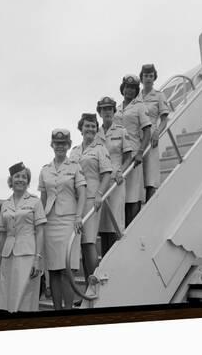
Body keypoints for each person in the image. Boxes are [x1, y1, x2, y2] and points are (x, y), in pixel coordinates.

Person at [38, 129, 87, 310]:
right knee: (54, 271)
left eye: (63, 143)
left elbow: (82, 193)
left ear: (68, 145)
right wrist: (40, 221)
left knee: (68, 270)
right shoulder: (45, 170)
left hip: (69, 222)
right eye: (57, 143)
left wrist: (79, 216)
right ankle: (57, 310)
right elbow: (43, 198)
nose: (60, 146)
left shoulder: (74, 166)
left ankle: (68, 310)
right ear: (52, 145)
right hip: (50, 222)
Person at [0, 162, 46, 313]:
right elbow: (2, 234)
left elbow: (41, 231)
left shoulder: (35, 202)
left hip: (28, 255)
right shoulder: (5, 204)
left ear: (28, 181)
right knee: (7, 298)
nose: (21, 179)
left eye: (24, 177)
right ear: (11, 180)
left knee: (25, 299)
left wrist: (38, 259)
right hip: (8, 256)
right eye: (17, 176)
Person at [69, 113, 112, 279]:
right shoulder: (74, 151)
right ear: (81, 128)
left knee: (89, 242)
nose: (90, 129)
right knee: (79, 245)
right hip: (73, 201)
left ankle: (95, 286)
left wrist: (100, 194)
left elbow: (107, 174)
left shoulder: (100, 148)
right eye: (87, 125)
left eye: (93, 126)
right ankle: (88, 289)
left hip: (90, 200)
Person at [95, 97, 133, 256]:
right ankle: (104, 258)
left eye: (109, 108)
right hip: (100, 181)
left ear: (113, 111)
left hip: (116, 180)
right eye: (104, 109)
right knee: (102, 222)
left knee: (116, 220)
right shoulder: (96, 133)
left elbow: (128, 156)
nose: (107, 112)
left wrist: (121, 172)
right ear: (100, 112)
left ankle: (117, 256)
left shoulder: (121, 131)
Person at [114, 75, 152, 227]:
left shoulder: (140, 106)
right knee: (119, 192)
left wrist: (140, 152)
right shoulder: (117, 109)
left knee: (133, 193)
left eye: (132, 88)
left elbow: (147, 131)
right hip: (118, 155)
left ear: (136, 90)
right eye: (127, 87)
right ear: (122, 88)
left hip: (133, 154)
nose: (129, 90)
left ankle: (133, 226)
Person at [136, 64, 170, 202]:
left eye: (151, 76)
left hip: (150, 138)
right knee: (137, 176)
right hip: (135, 138)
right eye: (146, 75)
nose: (148, 78)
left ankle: (149, 206)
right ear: (141, 78)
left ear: (154, 77)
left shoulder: (159, 96)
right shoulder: (136, 97)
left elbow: (164, 120)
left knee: (150, 177)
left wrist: (157, 133)